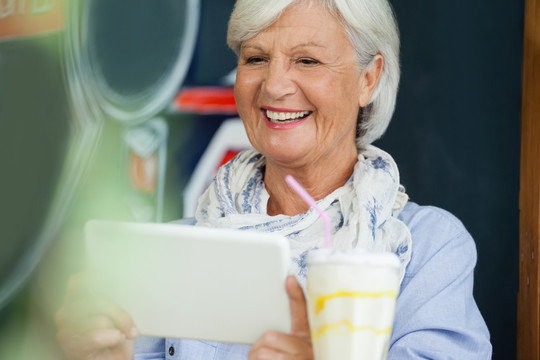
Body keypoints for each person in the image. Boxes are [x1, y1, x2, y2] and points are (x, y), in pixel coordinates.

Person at [55, 0, 493, 358]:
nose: (274, 86)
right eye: (256, 58)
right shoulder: (172, 252)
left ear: (368, 79)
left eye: (307, 60)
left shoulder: (429, 250)